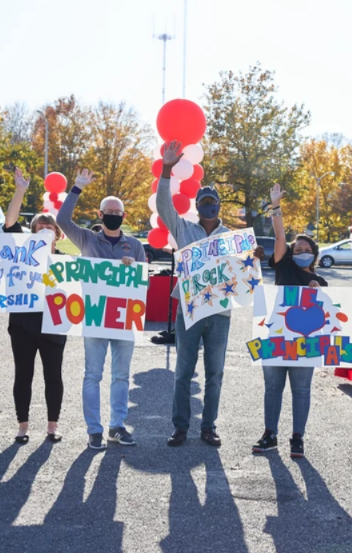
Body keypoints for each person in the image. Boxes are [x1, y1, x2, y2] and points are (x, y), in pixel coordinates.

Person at [156, 140, 264, 448]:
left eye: (212, 202)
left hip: (219, 313)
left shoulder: (232, 238)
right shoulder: (183, 229)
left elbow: (244, 274)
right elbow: (163, 206)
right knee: (182, 373)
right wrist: (166, 170)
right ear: (197, 205)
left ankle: (209, 426)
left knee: (214, 373)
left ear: (218, 206)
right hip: (189, 310)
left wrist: (254, 257)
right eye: (203, 202)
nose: (208, 206)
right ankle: (180, 427)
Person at [56, 169, 146, 450]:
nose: (113, 215)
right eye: (109, 211)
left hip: (124, 318)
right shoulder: (87, 239)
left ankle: (116, 427)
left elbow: (143, 283)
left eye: (117, 212)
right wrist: (77, 188)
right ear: (100, 214)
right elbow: (62, 220)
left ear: (124, 216)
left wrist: (134, 270)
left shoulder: (135, 246)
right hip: (95, 316)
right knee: (92, 375)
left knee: (121, 376)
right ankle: (94, 430)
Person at [251, 184, 328, 459]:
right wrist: (275, 205)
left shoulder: (320, 281)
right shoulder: (283, 264)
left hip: (304, 344)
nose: (301, 251)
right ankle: (269, 434)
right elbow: (280, 235)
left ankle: (297, 437)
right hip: (275, 336)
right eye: (298, 249)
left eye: (307, 249)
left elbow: (327, 315)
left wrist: (318, 290)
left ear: (314, 255)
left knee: (301, 390)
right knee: (272, 388)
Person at [3, 168, 68, 444]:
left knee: (53, 375)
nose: (44, 230)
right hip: (23, 325)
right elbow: (9, 225)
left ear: (58, 234)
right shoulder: (22, 254)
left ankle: (52, 426)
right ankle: (23, 425)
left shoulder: (67, 262)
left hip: (54, 324)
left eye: (49, 226)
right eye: (39, 227)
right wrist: (20, 190)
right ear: (32, 233)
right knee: (23, 375)